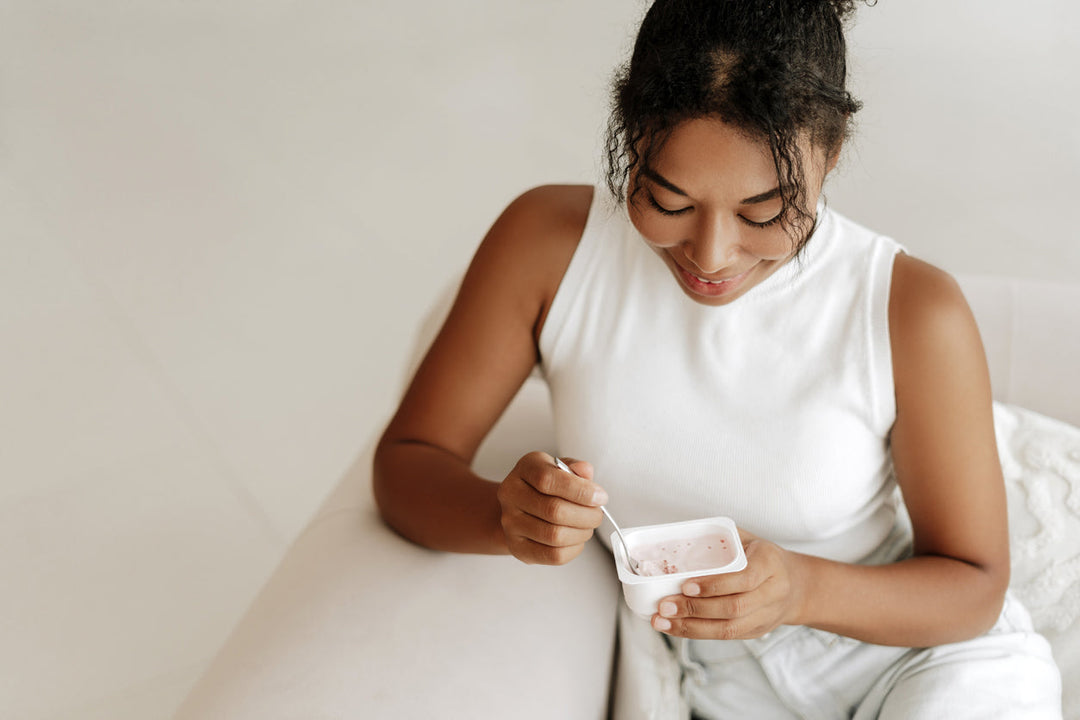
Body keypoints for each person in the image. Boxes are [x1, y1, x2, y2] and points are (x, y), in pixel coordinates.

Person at [373, 0, 1063, 717]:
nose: (709, 256)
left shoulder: (911, 311)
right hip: (716, 685)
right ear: (630, 137)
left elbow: (975, 588)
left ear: (831, 152)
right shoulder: (548, 249)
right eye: (667, 200)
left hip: (920, 662)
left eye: (763, 213)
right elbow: (406, 464)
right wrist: (501, 515)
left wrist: (799, 589)